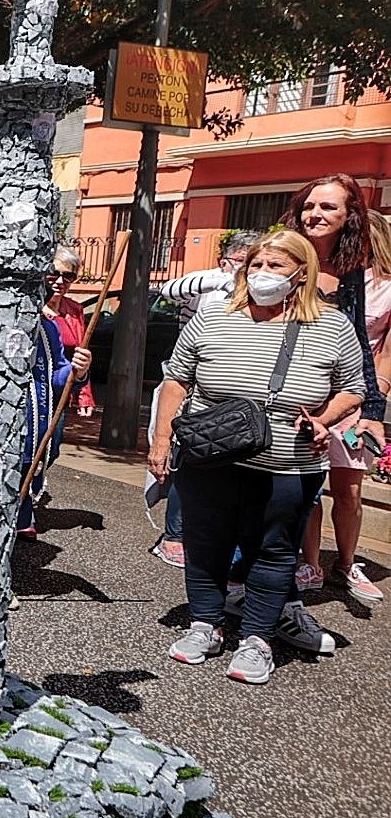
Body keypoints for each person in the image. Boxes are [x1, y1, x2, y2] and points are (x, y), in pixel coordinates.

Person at [149, 230, 365, 685]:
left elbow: (353, 388)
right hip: (210, 455)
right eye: (256, 266)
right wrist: (161, 441)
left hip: (288, 460)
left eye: (276, 267)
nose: (263, 275)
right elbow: (177, 379)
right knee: (206, 542)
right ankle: (205, 624)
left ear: (301, 274)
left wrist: (325, 418)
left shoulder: (332, 325)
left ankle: (257, 639)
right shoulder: (213, 316)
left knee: (273, 549)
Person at [285, 175, 386, 605]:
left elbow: (361, 344)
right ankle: (309, 561)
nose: (316, 214)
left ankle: (345, 564)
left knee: (348, 488)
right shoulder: (285, 261)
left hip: (344, 399)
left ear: (349, 217)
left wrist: (373, 410)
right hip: (296, 395)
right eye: (310, 206)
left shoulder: (352, 274)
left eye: (328, 208)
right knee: (306, 485)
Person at [149, 230, 263, 567]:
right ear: (224, 261)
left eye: (249, 262)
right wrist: (224, 278)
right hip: (191, 387)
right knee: (188, 458)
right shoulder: (210, 286)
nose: (244, 269)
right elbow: (168, 289)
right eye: (238, 261)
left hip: (233, 393)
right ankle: (174, 535)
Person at [0, 289, 91, 541]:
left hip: (31, 425)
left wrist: (76, 372)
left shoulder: (46, 330)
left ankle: (20, 518)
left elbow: (57, 375)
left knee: (27, 468)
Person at [43, 247, 94, 417]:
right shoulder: (31, 309)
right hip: (37, 392)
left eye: (68, 276)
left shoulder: (75, 310)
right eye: (53, 274)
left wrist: (84, 395)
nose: (59, 281)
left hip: (61, 396)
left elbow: (80, 355)